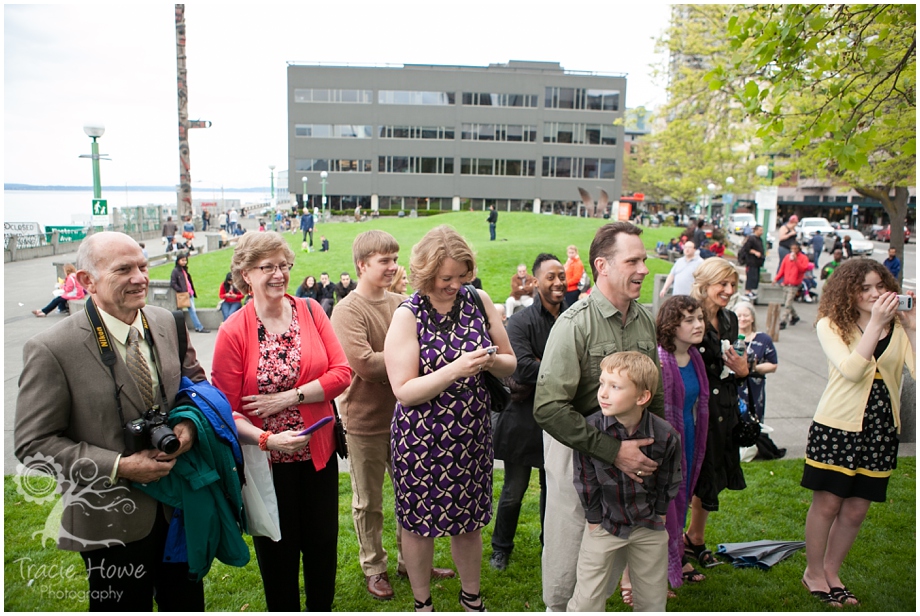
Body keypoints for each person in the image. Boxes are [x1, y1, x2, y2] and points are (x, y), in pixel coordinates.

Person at [15, 232, 207, 611]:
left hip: (178, 509)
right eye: (124, 269)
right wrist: (120, 466)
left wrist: (188, 427)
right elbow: (32, 442)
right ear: (87, 280)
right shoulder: (52, 349)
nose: (140, 277)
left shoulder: (167, 321)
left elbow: (195, 386)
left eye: (143, 265)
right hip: (109, 519)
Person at [211, 231, 351, 611]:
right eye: (267, 267)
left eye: (283, 265)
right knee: (278, 554)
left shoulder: (310, 311)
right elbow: (224, 409)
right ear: (246, 273)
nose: (278, 274)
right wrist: (265, 439)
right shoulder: (234, 331)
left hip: (316, 455)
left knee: (322, 547)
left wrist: (290, 397)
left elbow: (342, 373)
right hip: (267, 464)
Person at [383, 225, 516, 612]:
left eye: (462, 276)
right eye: (446, 278)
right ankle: (423, 603)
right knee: (418, 525)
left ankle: (471, 597)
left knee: (469, 521)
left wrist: (489, 359)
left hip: (470, 437)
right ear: (426, 274)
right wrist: (455, 370)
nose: (454, 285)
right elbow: (404, 390)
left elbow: (510, 363)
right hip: (421, 441)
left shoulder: (478, 300)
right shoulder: (408, 315)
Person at [534, 222, 665, 612]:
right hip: (576, 453)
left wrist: (654, 447)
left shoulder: (644, 319)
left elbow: (651, 392)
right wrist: (612, 451)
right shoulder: (573, 324)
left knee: (612, 553)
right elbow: (548, 408)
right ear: (602, 266)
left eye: (643, 260)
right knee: (569, 552)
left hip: (628, 455)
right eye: (633, 261)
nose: (643, 269)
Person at [331, 231, 456, 601]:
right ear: (361, 265)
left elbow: (436, 343)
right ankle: (375, 567)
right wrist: (411, 353)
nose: (392, 266)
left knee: (414, 496)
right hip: (365, 422)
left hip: (411, 419)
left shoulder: (405, 302)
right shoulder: (347, 310)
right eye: (383, 260)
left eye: (394, 258)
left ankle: (411, 561)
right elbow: (367, 366)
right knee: (368, 502)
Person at [800, 259, 915, 608]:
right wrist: (875, 325)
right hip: (837, 425)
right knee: (828, 502)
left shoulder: (897, 326)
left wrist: (912, 327)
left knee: (856, 509)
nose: (874, 293)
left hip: (881, 428)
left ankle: (832, 573)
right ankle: (813, 573)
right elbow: (852, 371)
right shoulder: (831, 324)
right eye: (864, 287)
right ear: (848, 290)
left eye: (879, 285)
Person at [566, 352, 681, 613]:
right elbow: (585, 479)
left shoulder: (665, 436)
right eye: (602, 383)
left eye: (615, 386)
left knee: (652, 598)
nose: (603, 393)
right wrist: (594, 520)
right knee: (587, 597)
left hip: (648, 525)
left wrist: (661, 514)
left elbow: (669, 478)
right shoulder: (591, 431)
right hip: (605, 523)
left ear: (642, 397)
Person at [490, 253, 567, 572]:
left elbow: (585, 362)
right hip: (522, 421)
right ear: (536, 281)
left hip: (561, 421)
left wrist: (541, 363)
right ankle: (500, 549)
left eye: (561, 275)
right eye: (550, 276)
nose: (558, 282)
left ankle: (551, 548)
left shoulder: (574, 317)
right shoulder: (520, 321)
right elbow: (521, 368)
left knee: (556, 493)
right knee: (513, 491)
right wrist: (564, 369)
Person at [684, 257, 750, 569]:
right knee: (688, 475)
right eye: (722, 284)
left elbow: (733, 361)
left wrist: (742, 370)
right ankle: (674, 544)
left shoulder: (730, 319)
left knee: (711, 472)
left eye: (732, 285)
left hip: (723, 404)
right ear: (705, 283)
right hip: (695, 407)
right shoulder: (687, 315)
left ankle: (695, 537)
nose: (728, 290)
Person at [653, 295, 710, 593]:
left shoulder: (695, 358)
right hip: (663, 444)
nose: (698, 324)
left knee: (681, 498)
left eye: (700, 318)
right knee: (664, 505)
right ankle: (655, 570)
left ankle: (675, 554)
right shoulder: (661, 360)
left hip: (687, 438)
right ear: (672, 325)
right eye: (689, 320)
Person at [732, 301, 783, 458]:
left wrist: (753, 368)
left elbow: (773, 365)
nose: (742, 318)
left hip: (754, 387)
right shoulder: (729, 338)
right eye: (739, 315)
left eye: (746, 315)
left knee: (753, 418)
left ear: (752, 318)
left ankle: (750, 449)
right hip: (734, 385)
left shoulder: (763, 339)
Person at [773, 243, 813, 330]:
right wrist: (777, 279)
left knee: (788, 303)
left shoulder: (803, 258)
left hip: (794, 284)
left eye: (795, 249)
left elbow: (803, 269)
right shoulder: (787, 257)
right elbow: (782, 269)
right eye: (792, 249)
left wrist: (796, 260)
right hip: (786, 282)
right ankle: (795, 316)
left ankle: (783, 321)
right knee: (787, 301)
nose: (793, 251)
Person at [170, 251, 210, 333]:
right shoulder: (175, 271)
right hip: (184, 294)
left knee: (192, 310)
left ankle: (197, 327)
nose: (184, 262)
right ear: (178, 261)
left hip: (189, 293)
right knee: (191, 311)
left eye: (185, 260)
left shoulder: (183, 270)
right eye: (182, 260)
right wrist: (181, 290)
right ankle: (199, 327)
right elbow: (173, 283)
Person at [739, 225, 766, 299]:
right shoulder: (751, 238)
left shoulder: (759, 239)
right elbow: (747, 248)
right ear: (756, 230)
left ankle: (751, 291)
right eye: (760, 230)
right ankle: (747, 291)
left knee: (755, 277)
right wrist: (755, 252)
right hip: (751, 261)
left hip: (757, 262)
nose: (762, 232)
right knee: (751, 276)